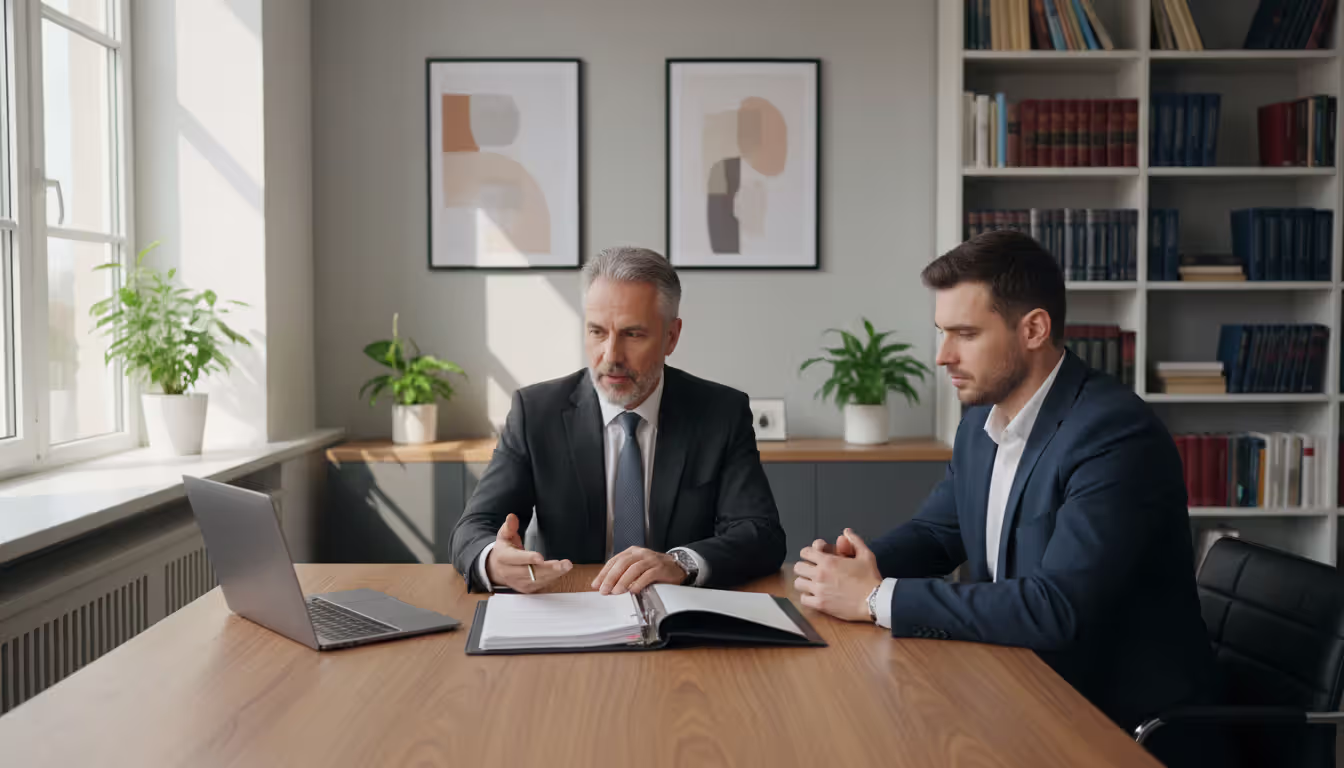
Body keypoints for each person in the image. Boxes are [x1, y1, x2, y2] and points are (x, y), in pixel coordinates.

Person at [794, 230, 1217, 743]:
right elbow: (936, 534)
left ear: (1034, 328)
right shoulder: (982, 423)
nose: (942, 356)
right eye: (941, 332)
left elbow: (1056, 607)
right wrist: (855, 567)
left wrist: (878, 598)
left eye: (965, 334)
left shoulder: (1113, 435)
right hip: (1015, 686)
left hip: (1113, 721)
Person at [449, 246, 786, 596]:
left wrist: (681, 563)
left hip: (679, 613)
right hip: (571, 604)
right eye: (597, 332)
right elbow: (473, 528)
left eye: (632, 334)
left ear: (671, 336)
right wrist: (492, 559)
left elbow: (761, 534)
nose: (611, 356)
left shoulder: (721, 412)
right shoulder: (535, 413)